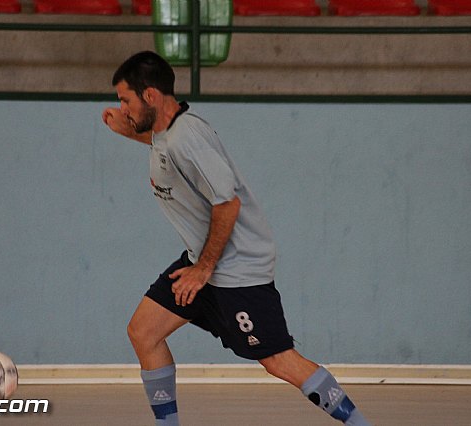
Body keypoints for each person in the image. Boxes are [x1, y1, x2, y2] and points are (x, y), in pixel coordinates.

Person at [102, 51, 371, 426]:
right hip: (204, 261)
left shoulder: (187, 137)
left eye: (125, 100)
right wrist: (128, 130)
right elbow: (165, 148)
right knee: (143, 331)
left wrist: (204, 270)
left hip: (236, 269)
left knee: (279, 361)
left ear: (149, 96)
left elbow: (227, 204)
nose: (121, 107)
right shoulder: (166, 133)